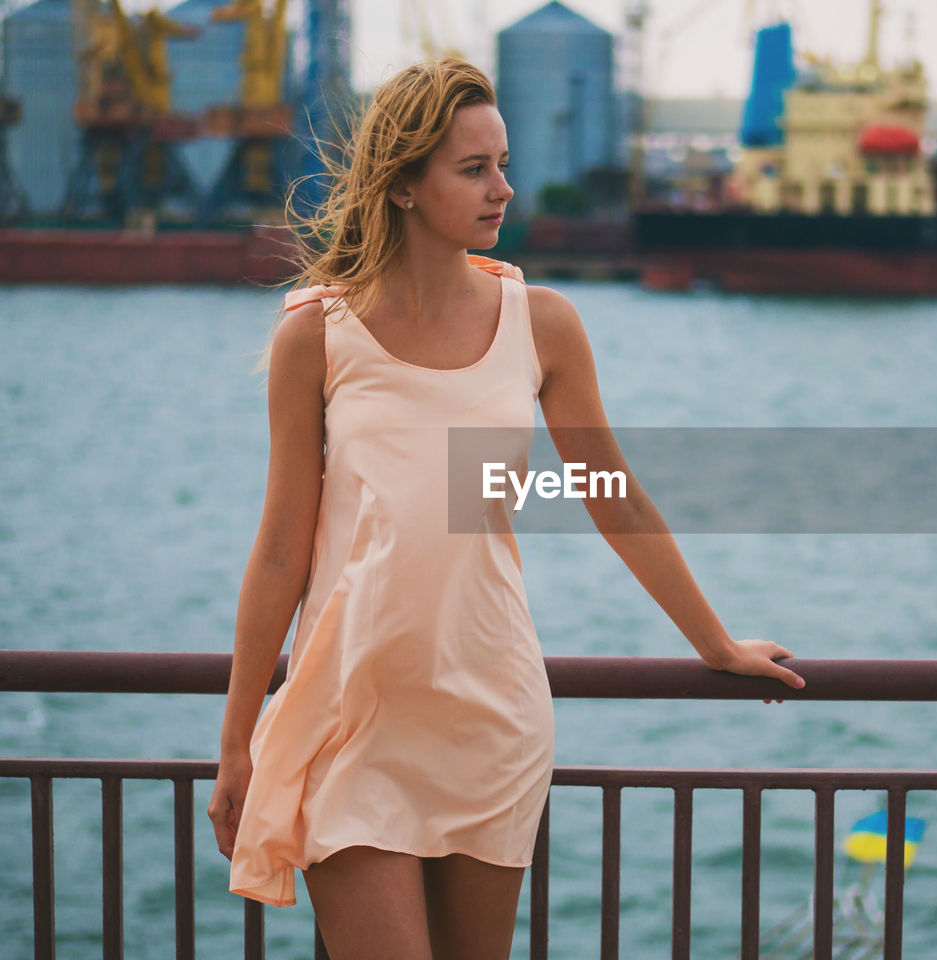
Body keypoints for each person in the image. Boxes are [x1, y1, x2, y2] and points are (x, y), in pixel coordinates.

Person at [206, 57, 805, 960]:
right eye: (473, 168)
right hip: (348, 717)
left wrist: (715, 646)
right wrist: (238, 740)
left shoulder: (543, 324)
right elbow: (282, 549)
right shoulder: (317, 337)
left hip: (489, 712)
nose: (503, 189)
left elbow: (613, 497)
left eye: (502, 163)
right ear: (404, 186)